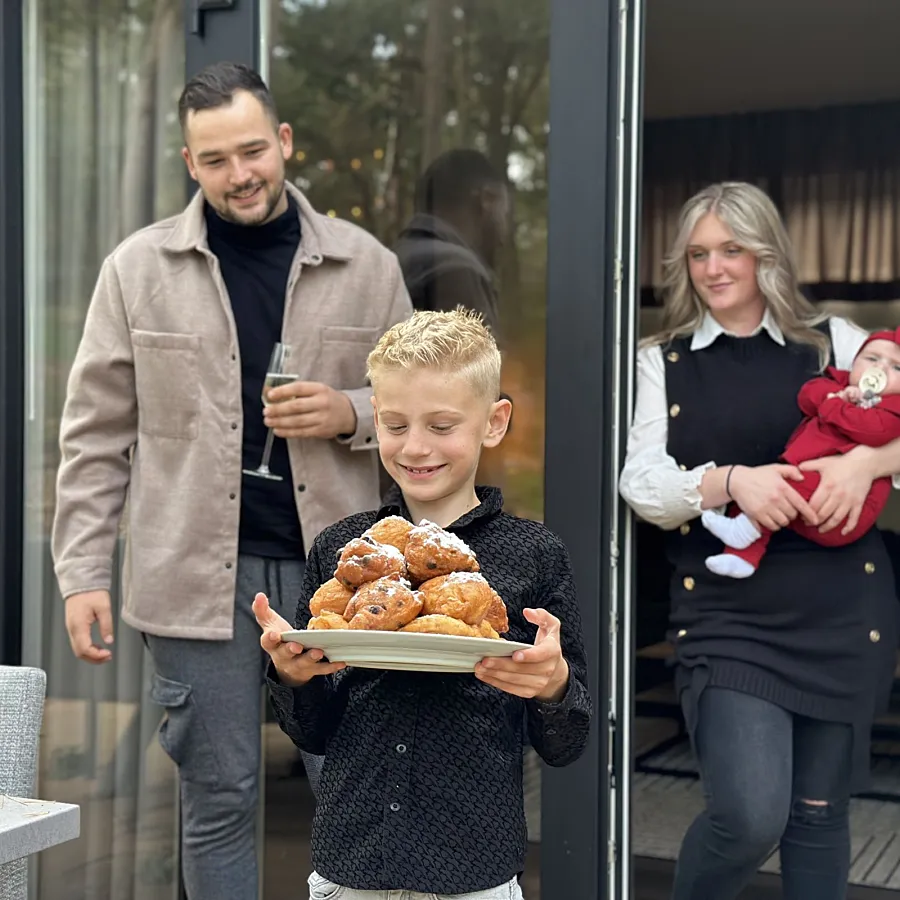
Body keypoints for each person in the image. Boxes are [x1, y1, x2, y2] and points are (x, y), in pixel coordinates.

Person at [51, 61, 411, 900]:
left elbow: (424, 406)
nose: (239, 174)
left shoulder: (367, 264)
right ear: (190, 163)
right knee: (217, 800)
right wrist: (82, 574)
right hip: (189, 580)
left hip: (338, 578)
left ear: (283, 142)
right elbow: (95, 435)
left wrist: (350, 411)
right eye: (215, 160)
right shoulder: (136, 270)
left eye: (252, 151)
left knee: (352, 792)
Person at [619, 181, 900, 900]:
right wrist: (731, 482)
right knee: (749, 817)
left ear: (766, 254)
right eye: (698, 254)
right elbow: (641, 483)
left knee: (818, 816)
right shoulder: (662, 360)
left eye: (732, 250)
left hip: (840, 609)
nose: (714, 268)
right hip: (728, 616)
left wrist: (868, 463)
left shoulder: (835, 341)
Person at [253, 309, 592, 899]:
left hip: (473, 873)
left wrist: (554, 684)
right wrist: (291, 674)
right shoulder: (344, 552)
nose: (415, 446)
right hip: (350, 868)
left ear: (494, 422)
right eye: (395, 424)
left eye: (441, 426)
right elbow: (311, 732)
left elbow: (566, 743)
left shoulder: (534, 555)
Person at [702, 328, 900, 577]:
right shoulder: (839, 385)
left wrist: (834, 405)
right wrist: (835, 396)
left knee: (775, 491)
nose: (879, 369)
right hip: (806, 488)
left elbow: (871, 430)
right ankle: (741, 557)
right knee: (757, 494)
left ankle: (743, 531)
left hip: (840, 510)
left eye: (897, 367)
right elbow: (807, 395)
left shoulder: (894, 407)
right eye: (871, 359)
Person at [394, 149, 508, 336]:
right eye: (504, 213)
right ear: (486, 200)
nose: (503, 237)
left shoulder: (392, 258)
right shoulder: (456, 268)